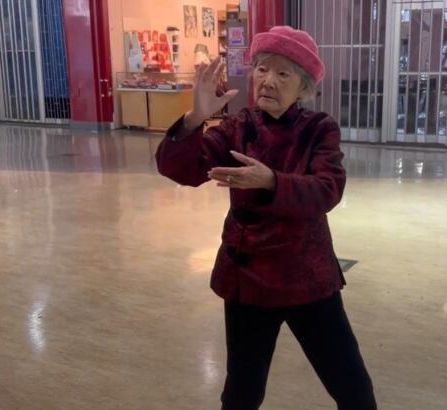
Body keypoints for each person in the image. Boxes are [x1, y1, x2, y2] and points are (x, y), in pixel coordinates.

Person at [156, 26, 377, 410]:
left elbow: (327, 189)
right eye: (261, 69)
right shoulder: (237, 127)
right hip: (248, 280)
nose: (268, 81)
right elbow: (182, 170)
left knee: (351, 385)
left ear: (303, 86)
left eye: (282, 73)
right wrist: (194, 119)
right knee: (242, 392)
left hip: (308, 279)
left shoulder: (318, 129)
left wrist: (271, 181)